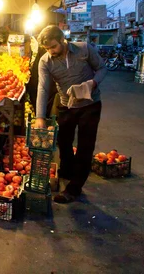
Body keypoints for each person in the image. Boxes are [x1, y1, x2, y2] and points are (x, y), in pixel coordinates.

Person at [34, 25, 107, 204]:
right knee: (64, 142)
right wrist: (40, 117)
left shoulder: (84, 49)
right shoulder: (45, 61)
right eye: (46, 49)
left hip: (90, 105)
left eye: (53, 47)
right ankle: (67, 172)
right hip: (66, 105)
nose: (50, 52)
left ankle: (74, 188)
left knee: (85, 146)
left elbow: (102, 68)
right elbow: (43, 88)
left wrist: (92, 84)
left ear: (63, 41)